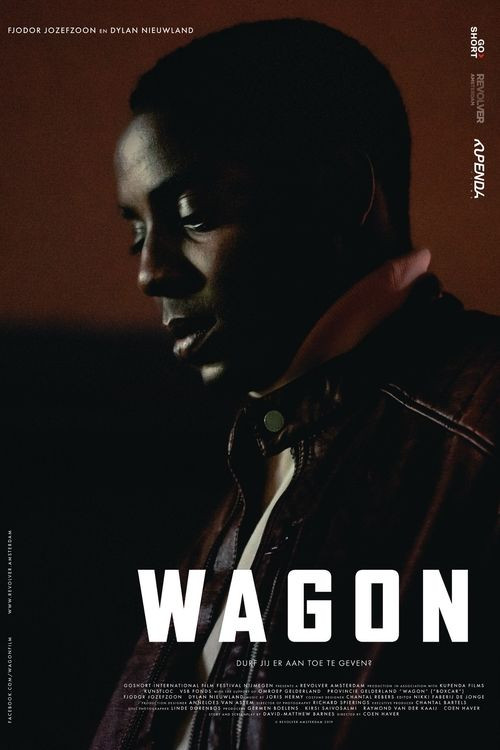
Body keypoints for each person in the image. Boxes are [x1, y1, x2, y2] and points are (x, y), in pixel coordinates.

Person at [92, 19, 499, 750]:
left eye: (192, 215)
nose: (149, 272)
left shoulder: (478, 422)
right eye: (137, 233)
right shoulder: (264, 446)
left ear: (340, 192)